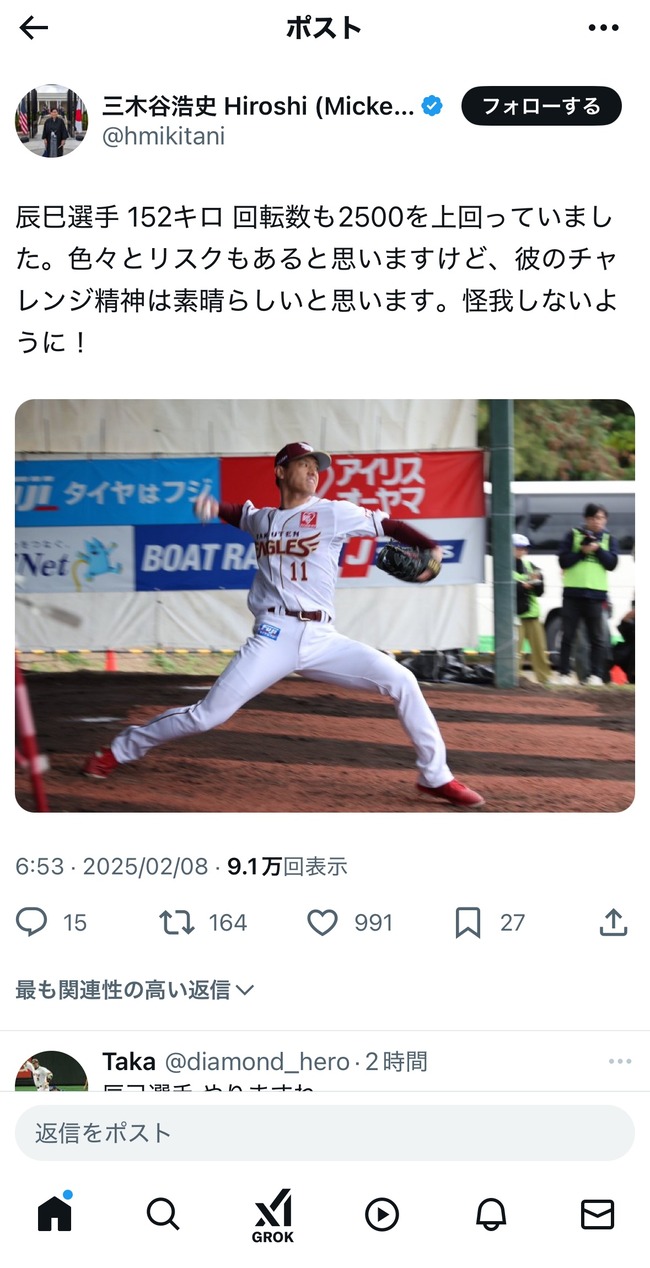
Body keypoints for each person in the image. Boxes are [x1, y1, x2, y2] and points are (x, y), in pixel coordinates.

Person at [83, 442, 485, 809]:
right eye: (303, 464)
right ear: (280, 471)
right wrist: (214, 507)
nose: (313, 471)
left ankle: (435, 777)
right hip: (273, 636)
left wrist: (429, 546)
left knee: (402, 681)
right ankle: (120, 749)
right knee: (206, 716)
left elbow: (390, 526)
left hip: (323, 639)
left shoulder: (333, 513)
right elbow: (242, 515)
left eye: (316, 466)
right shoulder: (265, 520)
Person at [551, 502, 619, 686]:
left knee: (597, 638)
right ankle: (564, 674)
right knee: (568, 636)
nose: (598, 521)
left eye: (601, 518)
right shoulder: (573, 535)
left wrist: (598, 549)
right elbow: (563, 561)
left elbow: (612, 564)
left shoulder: (609, 539)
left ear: (605, 520)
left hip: (596, 596)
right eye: (594, 518)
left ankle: (596, 675)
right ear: (586, 519)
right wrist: (582, 552)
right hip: (573, 594)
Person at [512, 533, 550, 685]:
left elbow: (540, 591)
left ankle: (544, 679)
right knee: (515, 651)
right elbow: (506, 589)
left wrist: (537, 582)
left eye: (524, 548)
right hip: (515, 616)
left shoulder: (530, 566)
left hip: (532, 615)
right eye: (518, 547)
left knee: (540, 650)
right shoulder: (503, 567)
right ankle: (513, 678)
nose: (522, 551)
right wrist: (523, 586)